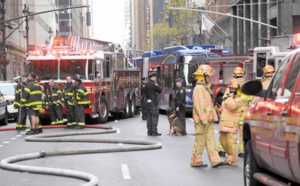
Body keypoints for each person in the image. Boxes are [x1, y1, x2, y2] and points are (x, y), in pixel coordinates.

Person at [190, 65, 228, 168]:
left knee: (210, 140)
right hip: (203, 121)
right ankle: (195, 161)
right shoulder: (199, 88)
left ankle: (215, 160)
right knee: (200, 141)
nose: (209, 78)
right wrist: (203, 119)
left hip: (208, 120)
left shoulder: (204, 88)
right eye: (208, 76)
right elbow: (199, 105)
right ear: (203, 76)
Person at [218, 78, 244, 165]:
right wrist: (218, 108)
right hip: (224, 124)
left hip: (232, 125)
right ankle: (230, 156)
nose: (231, 91)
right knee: (222, 141)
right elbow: (224, 109)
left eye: (233, 89)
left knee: (231, 142)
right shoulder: (229, 98)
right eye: (230, 89)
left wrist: (229, 98)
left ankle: (232, 159)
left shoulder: (239, 99)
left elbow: (233, 107)